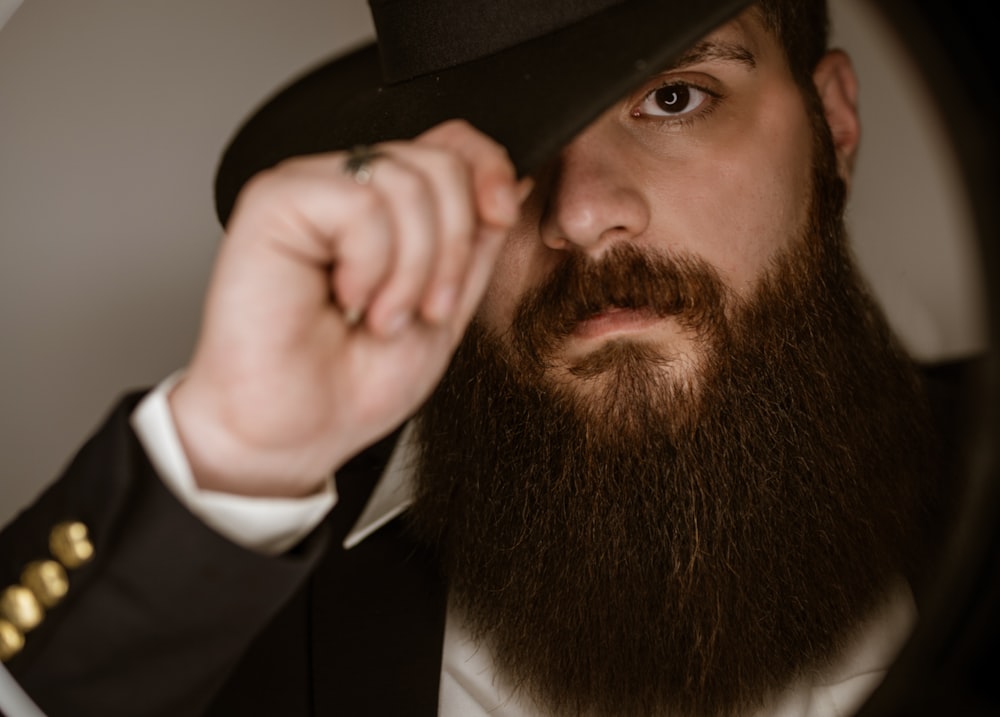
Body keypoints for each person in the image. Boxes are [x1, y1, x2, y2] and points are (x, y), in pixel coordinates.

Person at [0, 0, 952, 715]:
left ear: (831, 125)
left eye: (674, 97)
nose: (581, 216)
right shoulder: (261, 659)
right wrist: (226, 456)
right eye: (511, 143)